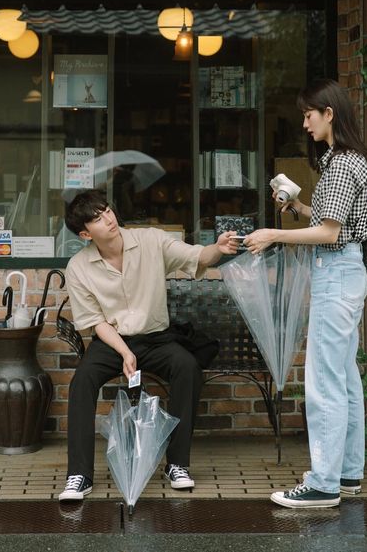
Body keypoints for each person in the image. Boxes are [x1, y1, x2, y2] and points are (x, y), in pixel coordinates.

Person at [240, 79, 367, 509]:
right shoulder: (351, 160)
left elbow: (329, 232)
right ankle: (347, 474)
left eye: (308, 114)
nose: (304, 123)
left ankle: (323, 484)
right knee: (345, 377)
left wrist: (272, 233)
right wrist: (297, 208)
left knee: (324, 382)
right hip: (347, 272)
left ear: (328, 113)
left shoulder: (341, 164)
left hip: (336, 274)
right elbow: (332, 222)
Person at [59, 189, 237, 501]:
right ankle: (80, 475)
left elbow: (196, 257)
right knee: (81, 381)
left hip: (156, 338)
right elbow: (96, 322)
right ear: (86, 234)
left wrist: (218, 248)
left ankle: (177, 464)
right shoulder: (78, 267)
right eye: (98, 219)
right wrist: (125, 351)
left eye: (108, 211)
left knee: (187, 367)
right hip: (112, 342)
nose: (109, 219)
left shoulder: (151, 240)